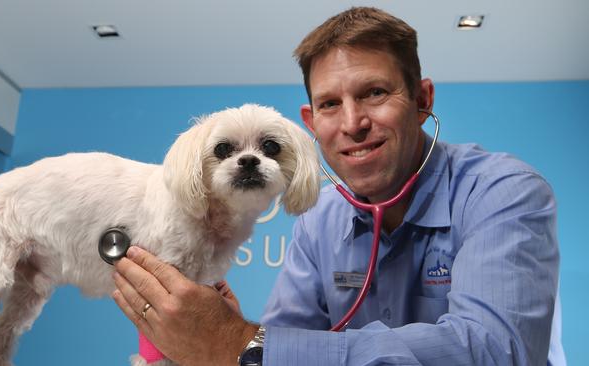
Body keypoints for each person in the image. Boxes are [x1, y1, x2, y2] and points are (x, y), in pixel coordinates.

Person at [113, 6, 564, 365]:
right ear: (311, 122)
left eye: (374, 93)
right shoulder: (319, 221)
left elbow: (494, 352)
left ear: (423, 100)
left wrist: (241, 343)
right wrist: (229, 340)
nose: (353, 123)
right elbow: (277, 346)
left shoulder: (503, 193)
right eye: (330, 104)